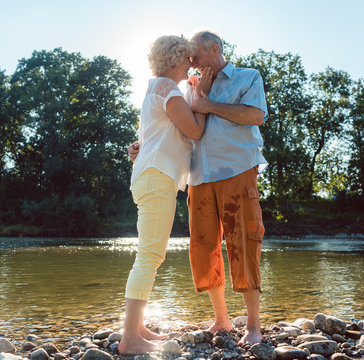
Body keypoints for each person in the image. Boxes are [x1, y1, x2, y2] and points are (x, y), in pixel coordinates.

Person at [129, 30, 268, 345]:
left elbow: (256, 116)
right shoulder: (189, 86)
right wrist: (142, 147)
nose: (192, 62)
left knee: (243, 242)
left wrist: (210, 105)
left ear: (215, 49)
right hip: (198, 175)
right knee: (203, 247)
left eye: (197, 56)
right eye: (189, 57)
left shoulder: (247, 77)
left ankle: (254, 327)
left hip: (236, 169)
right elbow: (172, 126)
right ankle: (222, 319)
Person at [118, 34, 212, 355]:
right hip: (157, 178)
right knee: (150, 256)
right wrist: (199, 95)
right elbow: (195, 130)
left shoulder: (155, 89)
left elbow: (149, 140)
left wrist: (135, 151)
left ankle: (137, 326)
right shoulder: (167, 89)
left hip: (151, 176)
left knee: (148, 255)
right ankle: (130, 339)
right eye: (188, 59)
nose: (191, 65)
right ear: (175, 60)